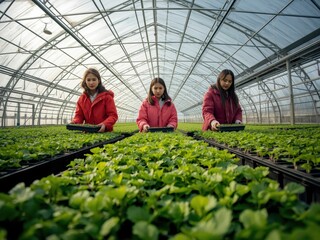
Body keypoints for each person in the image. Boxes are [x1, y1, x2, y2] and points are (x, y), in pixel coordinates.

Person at [71, 68, 118, 132]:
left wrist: (104, 124)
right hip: (88, 132)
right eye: (88, 80)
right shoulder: (81, 99)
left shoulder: (107, 97)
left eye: (94, 79)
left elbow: (113, 115)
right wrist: (74, 122)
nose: (91, 82)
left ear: (98, 81)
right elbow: (79, 116)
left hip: (104, 132)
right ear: (85, 81)